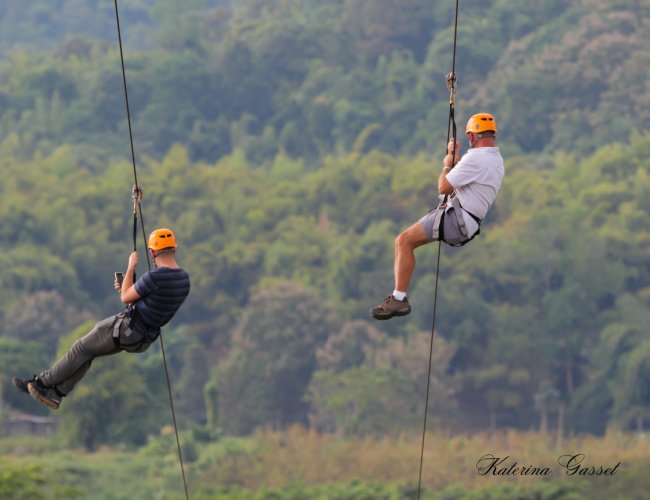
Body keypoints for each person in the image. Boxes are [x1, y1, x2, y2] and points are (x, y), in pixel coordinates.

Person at [12, 228, 191, 409]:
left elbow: (126, 298)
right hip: (143, 338)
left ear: (152, 252)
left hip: (127, 328)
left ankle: (40, 383)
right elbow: (152, 303)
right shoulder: (184, 279)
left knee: (80, 347)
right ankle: (57, 393)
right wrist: (126, 287)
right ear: (174, 249)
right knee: (88, 352)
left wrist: (131, 267)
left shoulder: (154, 277)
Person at [370, 113, 504, 320]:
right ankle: (399, 297)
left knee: (403, 241)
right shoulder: (495, 160)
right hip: (467, 223)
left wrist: (447, 164)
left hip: (455, 220)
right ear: (492, 135)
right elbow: (468, 180)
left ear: (472, 137)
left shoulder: (476, 158)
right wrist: (456, 160)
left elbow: (443, 186)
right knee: (404, 241)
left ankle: (399, 298)